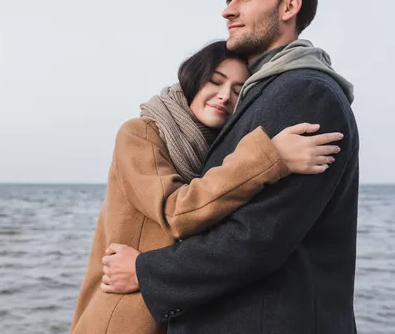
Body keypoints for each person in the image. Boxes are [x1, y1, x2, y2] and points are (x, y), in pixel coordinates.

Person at [100, 0, 358, 334]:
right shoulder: (264, 94)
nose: (228, 10)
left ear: (288, 7)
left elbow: (255, 237)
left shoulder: (304, 93)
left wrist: (145, 271)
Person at [70, 40, 344, 334]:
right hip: (122, 317)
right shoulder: (141, 133)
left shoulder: (217, 151)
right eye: (215, 82)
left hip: (169, 313)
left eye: (238, 91)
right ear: (192, 80)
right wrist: (269, 157)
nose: (225, 96)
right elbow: (176, 212)